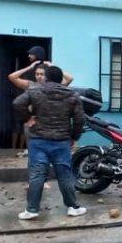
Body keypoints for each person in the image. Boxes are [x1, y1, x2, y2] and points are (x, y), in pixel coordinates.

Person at [11, 64, 85, 220]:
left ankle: (31, 210)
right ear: (60, 79)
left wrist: (28, 118)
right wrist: (74, 137)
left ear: (46, 77)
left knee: (37, 174)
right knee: (64, 175)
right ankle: (73, 207)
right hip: (61, 140)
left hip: (38, 139)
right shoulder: (72, 95)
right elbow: (79, 119)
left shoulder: (35, 90)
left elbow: (17, 103)